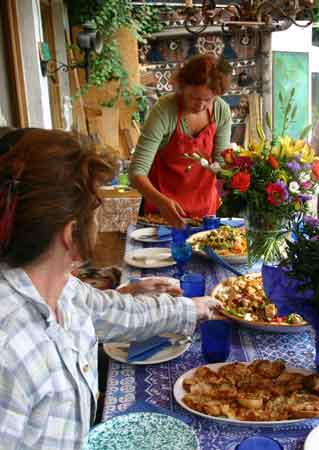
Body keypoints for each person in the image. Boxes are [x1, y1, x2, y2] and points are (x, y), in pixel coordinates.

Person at [0, 129, 219, 450]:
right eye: (95, 211)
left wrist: (195, 308)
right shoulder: (9, 349)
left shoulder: (57, 288)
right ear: (71, 233)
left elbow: (113, 311)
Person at [129, 54, 233, 228]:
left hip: (204, 212)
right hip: (161, 213)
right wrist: (162, 202)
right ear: (182, 87)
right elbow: (136, 172)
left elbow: (220, 163)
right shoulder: (164, 110)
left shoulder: (221, 110)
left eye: (208, 100)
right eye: (194, 97)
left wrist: (237, 177)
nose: (200, 105)